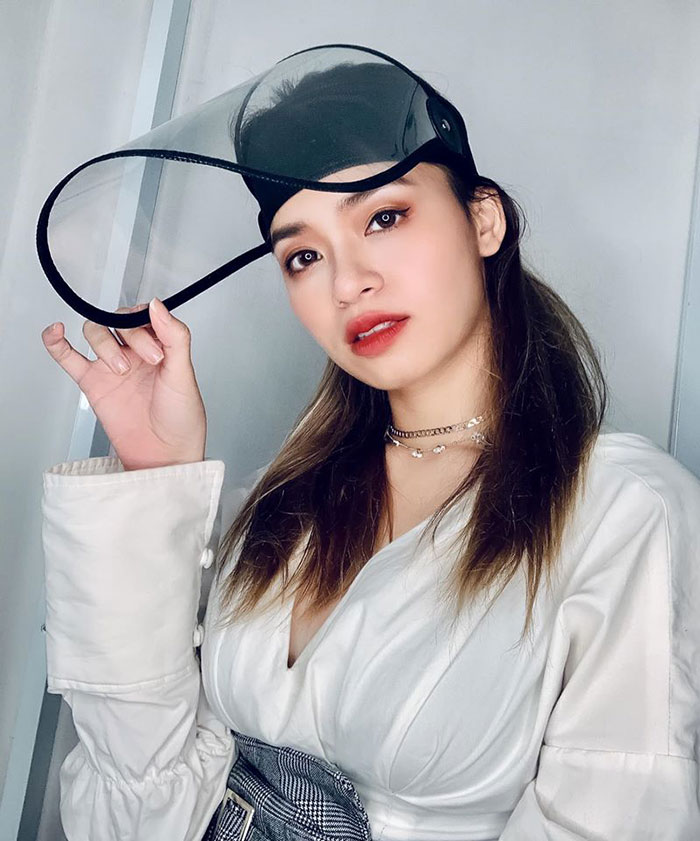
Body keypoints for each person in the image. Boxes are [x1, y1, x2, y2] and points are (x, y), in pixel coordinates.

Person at [39, 46, 700, 841]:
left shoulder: (623, 512)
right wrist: (157, 473)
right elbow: (132, 790)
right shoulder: (280, 503)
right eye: (303, 255)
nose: (347, 281)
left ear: (483, 219)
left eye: (383, 218)